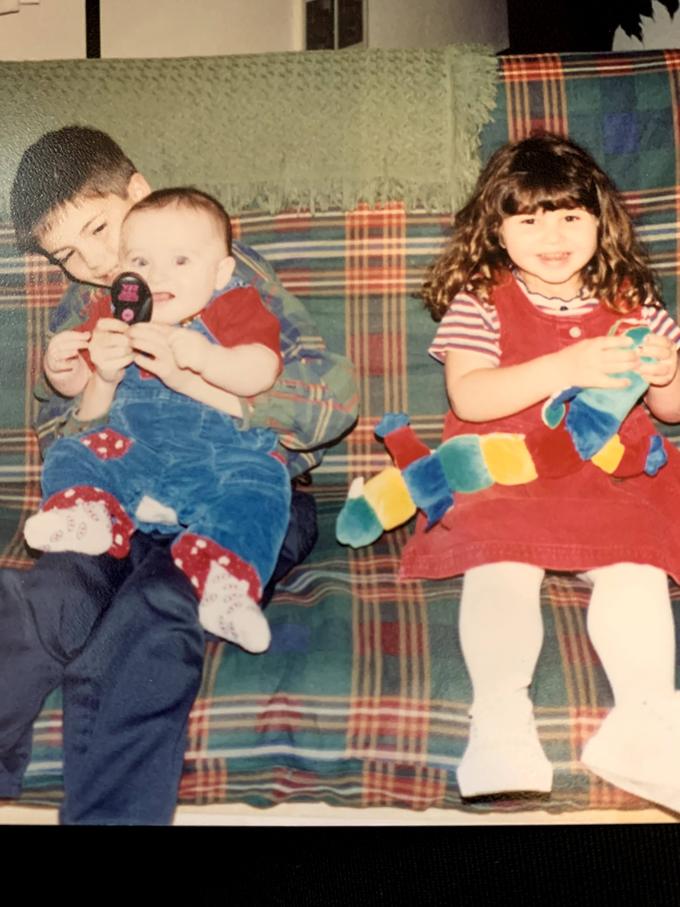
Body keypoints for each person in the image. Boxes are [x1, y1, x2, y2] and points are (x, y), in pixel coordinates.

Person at [1, 125, 358, 824]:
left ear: (138, 190)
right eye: (67, 255)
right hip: (127, 496)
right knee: (50, 595)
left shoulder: (224, 273)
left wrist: (205, 379)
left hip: (242, 495)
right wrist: (83, 384)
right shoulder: (87, 303)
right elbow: (60, 435)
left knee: (152, 617)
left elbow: (331, 401)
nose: (95, 262)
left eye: (99, 230)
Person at [399, 132, 680, 813]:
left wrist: (667, 374)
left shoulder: (633, 301)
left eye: (570, 216)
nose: (552, 235)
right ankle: (500, 722)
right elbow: (470, 397)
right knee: (501, 569)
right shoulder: (481, 299)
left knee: (637, 571)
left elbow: (671, 412)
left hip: (610, 477)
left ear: (601, 221)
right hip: (508, 469)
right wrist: (566, 366)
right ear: (495, 231)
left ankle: (644, 724)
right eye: (527, 219)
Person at [25, 187, 292, 655]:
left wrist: (206, 359)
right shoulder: (114, 313)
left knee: (262, 485)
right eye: (141, 262)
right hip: (135, 455)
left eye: (180, 261)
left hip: (218, 462)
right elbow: (77, 387)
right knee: (74, 451)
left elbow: (262, 370)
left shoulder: (233, 306)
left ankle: (226, 590)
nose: (158, 275)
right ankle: (88, 515)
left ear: (220, 273)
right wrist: (64, 368)